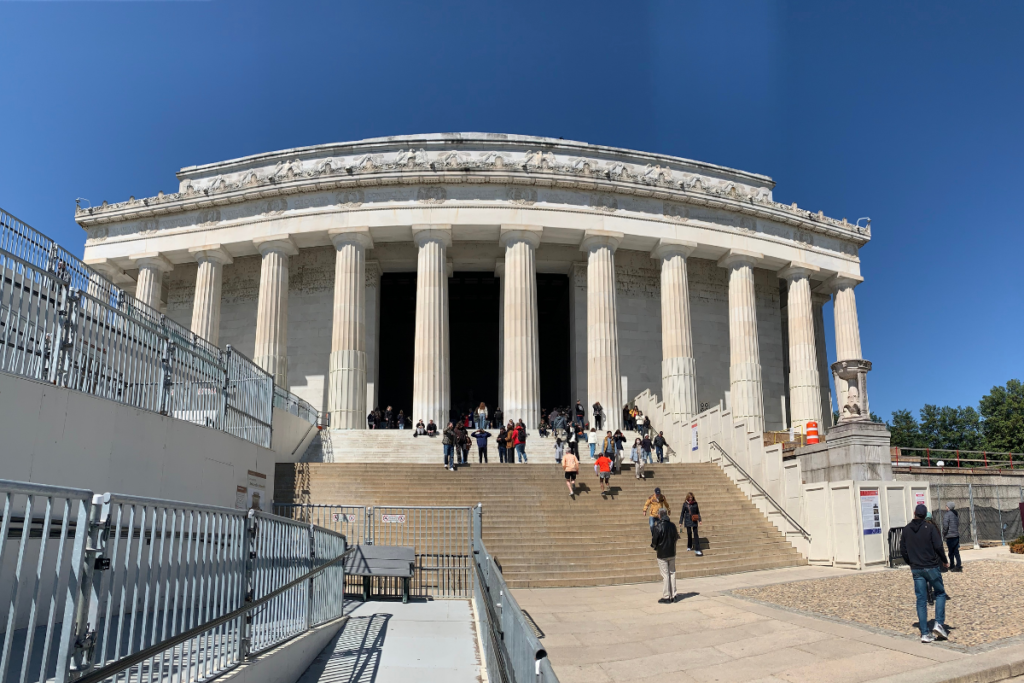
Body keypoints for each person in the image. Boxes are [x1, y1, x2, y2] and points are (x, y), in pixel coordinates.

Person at [900, 504, 950, 643]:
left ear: (914, 512)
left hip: (916, 568)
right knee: (940, 593)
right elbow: (938, 546)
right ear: (925, 515)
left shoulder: (907, 529)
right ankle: (938, 623)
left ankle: (924, 632)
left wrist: (910, 562)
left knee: (921, 600)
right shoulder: (930, 528)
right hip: (931, 566)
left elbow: (903, 549)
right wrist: (944, 560)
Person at [651, 509, 680, 604]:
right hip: (672, 552)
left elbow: (654, 541)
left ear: (659, 515)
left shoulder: (658, 526)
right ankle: (674, 595)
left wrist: (655, 547)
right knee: (672, 573)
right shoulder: (672, 525)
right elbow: (676, 537)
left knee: (665, 575)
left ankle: (667, 596)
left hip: (662, 553)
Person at [942, 502, 962, 572]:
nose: (946, 507)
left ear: (949, 507)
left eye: (946, 506)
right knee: (956, 552)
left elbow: (945, 525)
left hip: (950, 536)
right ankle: (958, 565)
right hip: (956, 535)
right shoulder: (955, 514)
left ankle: (952, 565)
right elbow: (958, 524)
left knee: (951, 552)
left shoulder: (947, 515)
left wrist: (944, 533)